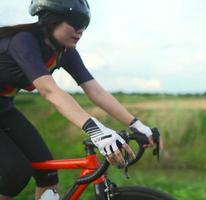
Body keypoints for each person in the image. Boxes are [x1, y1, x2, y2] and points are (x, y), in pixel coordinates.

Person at [0, 0, 156, 199]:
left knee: (48, 174)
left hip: (3, 107)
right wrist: (95, 130)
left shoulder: (64, 52)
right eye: (75, 21)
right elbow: (49, 91)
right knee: (15, 173)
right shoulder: (24, 41)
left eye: (85, 24)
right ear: (51, 20)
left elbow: (95, 91)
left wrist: (137, 124)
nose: (81, 30)